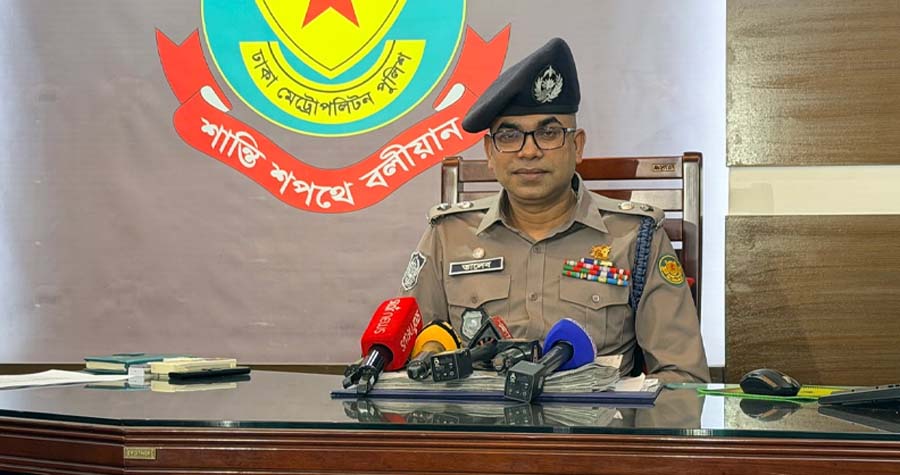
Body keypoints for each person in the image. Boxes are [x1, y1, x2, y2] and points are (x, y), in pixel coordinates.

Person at [399, 38, 709, 383]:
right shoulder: (448, 235)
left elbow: (682, 375)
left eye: (548, 133)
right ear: (489, 152)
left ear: (577, 146)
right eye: (509, 136)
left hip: (598, 416)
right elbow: (408, 363)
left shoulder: (635, 238)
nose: (529, 151)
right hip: (476, 416)